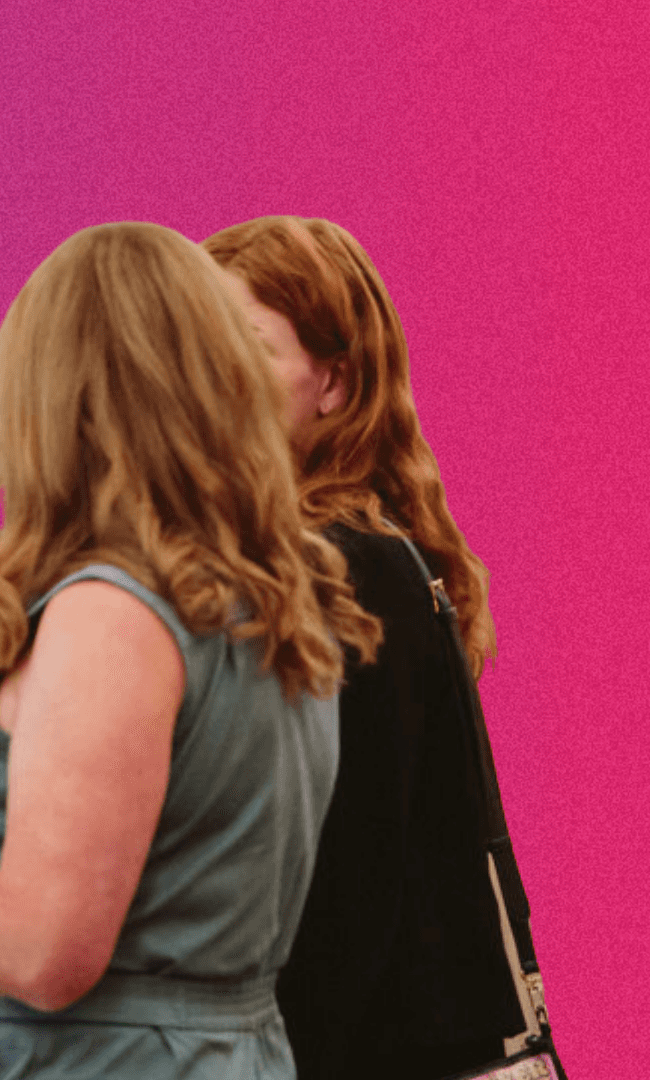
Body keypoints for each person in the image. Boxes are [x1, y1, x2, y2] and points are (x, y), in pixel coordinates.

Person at [0, 223, 383, 1079]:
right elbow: (184, 831)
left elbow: (45, 952)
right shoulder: (273, 588)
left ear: (54, 395)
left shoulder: (112, 613)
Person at [205, 216, 526, 1078]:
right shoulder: (370, 550)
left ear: (335, 383)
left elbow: (343, 884)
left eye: (245, 346)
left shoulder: (335, 570)